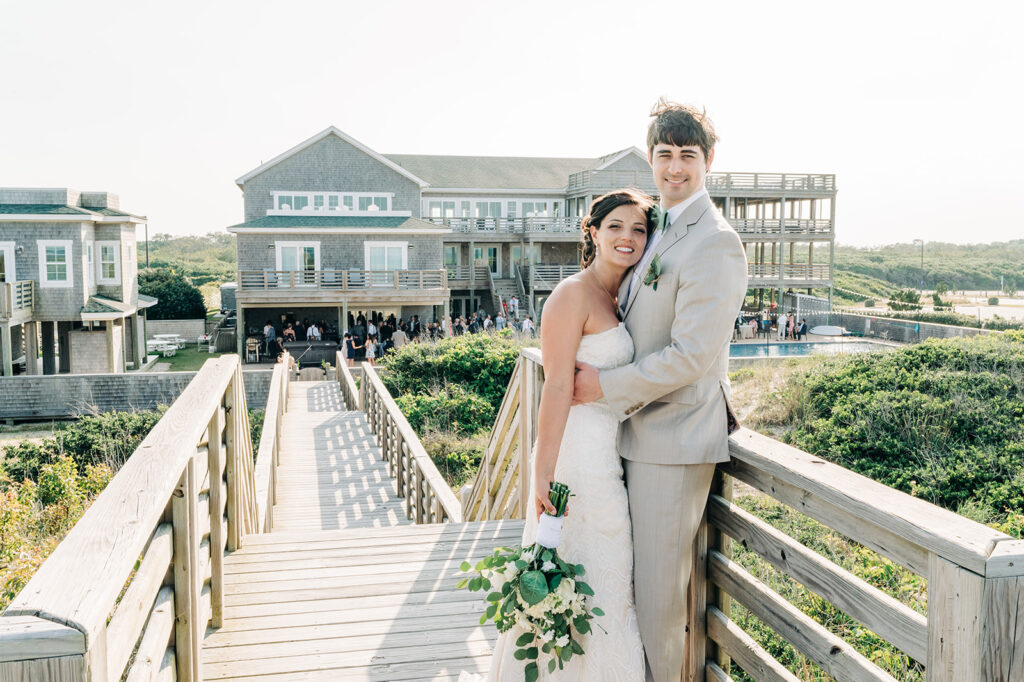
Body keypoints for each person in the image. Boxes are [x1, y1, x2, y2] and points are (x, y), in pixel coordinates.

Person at [572, 100, 747, 682]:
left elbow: (693, 357)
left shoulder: (715, 242)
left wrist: (602, 385)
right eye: (665, 155)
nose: (676, 168)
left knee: (659, 606)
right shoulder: (658, 227)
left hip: (673, 442)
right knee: (633, 593)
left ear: (709, 160)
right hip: (631, 436)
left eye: (688, 156)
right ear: (651, 158)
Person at [481, 188, 652, 681]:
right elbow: (555, 385)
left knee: (607, 586)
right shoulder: (570, 295)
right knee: (574, 580)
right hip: (577, 463)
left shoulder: (621, 296)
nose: (627, 237)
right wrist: (541, 476)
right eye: (616, 226)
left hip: (609, 457)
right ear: (592, 232)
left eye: (638, 229)